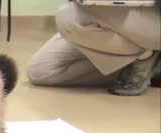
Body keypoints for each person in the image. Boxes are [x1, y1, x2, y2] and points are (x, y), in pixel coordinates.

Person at [26, 1, 161, 96]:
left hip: (153, 15)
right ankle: (144, 59)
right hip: (112, 11)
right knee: (41, 70)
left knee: (69, 17)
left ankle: (146, 56)